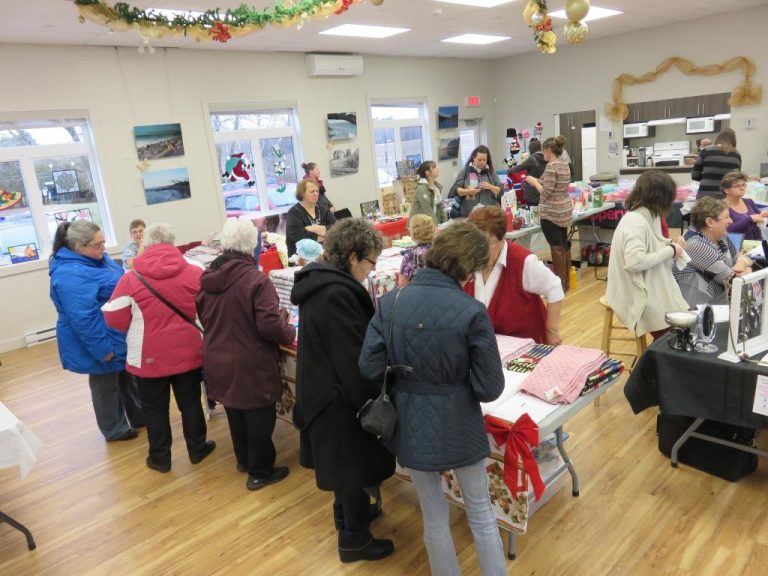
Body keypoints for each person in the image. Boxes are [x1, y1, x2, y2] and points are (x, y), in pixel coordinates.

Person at [359, 221, 506, 576]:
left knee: (434, 516)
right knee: (481, 513)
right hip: (459, 419)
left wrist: (406, 378)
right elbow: (489, 387)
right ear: (467, 268)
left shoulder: (391, 302)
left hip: (409, 420)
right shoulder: (471, 311)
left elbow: (369, 366)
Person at [290, 218, 395, 563]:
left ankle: (350, 517)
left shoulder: (321, 284)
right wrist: (372, 395)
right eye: (370, 262)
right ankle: (354, 538)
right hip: (337, 397)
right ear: (352, 257)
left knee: (343, 465)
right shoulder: (337, 293)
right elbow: (352, 358)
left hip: (323, 392)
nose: (371, 270)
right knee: (350, 465)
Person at [103, 223, 214, 473]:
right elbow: (209, 308)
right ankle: (197, 449)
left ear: (148, 244)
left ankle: (160, 458)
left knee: (154, 409)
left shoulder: (130, 278)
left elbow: (114, 319)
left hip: (148, 356)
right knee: (191, 403)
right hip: (189, 351)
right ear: (172, 243)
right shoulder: (195, 271)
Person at [197, 220, 296, 490]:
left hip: (217, 354)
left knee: (235, 412)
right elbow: (269, 325)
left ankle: (244, 461)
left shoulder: (208, 276)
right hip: (249, 359)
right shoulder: (255, 279)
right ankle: (260, 471)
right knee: (259, 418)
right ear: (251, 246)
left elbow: (204, 314)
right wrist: (287, 329)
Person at [49, 221, 143, 441]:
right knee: (106, 383)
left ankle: (139, 417)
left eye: (104, 243)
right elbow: (84, 319)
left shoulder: (96, 258)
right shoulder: (70, 273)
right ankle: (115, 429)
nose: (104, 248)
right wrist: (103, 349)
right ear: (79, 246)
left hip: (115, 331)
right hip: (100, 337)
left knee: (127, 377)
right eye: (98, 245)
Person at [606, 171, 689, 339]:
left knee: (685, 321)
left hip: (648, 281)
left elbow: (650, 246)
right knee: (675, 333)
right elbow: (634, 262)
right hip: (634, 290)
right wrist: (671, 250)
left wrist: (669, 244)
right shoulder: (636, 221)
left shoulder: (649, 215)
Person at [467, 206, 564, 344]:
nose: (478, 250)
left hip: (524, 347)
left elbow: (554, 287)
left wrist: (551, 331)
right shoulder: (468, 260)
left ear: (502, 239)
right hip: (484, 347)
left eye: (486, 244)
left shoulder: (523, 261)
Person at [673, 197, 752, 307]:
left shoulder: (721, 237)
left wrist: (743, 263)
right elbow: (734, 280)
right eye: (726, 217)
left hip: (717, 305)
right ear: (710, 222)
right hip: (697, 311)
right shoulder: (695, 244)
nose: (731, 221)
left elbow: (741, 257)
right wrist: (747, 268)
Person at [525, 135, 573, 292]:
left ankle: (560, 286)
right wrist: (538, 180)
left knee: (556, 248)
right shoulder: (564, 165)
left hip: (551, 213)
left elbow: (545, 193)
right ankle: (566, 281)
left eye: (543, 151)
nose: (542, 154)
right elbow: (552, 184)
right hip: (564, 211)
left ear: (548, 150)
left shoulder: (552, 166)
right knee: (563, 245)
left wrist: (533, 182)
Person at [286, 179, 336, 257]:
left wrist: (313, 228)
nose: (316, 194)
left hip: (324, 255)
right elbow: (298, 237)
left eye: (317, 191)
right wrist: (323, 235)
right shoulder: (293, 212)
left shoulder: (323, 209)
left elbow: (336, 229)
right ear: (302, 194)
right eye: (312, 191)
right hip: (301, 258)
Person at [448, 145, 502, 218]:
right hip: (468, 216)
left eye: (484, 160)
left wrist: (491, 187)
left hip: (488, 216)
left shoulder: (491, 173)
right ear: (473, 158)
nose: (482, 162)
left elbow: (501, 191)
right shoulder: (465, 171)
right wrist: (467, 191)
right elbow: (455, 190)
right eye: (479, 160)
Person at [692, 128, 742, 199]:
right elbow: (737, 178)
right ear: (733, 140)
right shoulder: (736, 155)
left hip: (705, 197)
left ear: (718, 137)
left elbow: (694, 175)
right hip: (727, 198)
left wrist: (707, 178)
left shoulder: (705, 151)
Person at [722, 170, 768, 240]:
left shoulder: (749, 202)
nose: (742, 188)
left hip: (757, 244)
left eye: (743, 185)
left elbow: (759, 218)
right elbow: (727, 230)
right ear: (726, 190)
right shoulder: (721, 207)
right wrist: (749, 219)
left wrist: (763, 215)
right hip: (738, 247)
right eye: (738, 186)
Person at [398, 214, 435, 287]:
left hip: (418, 294)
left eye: (410, 227)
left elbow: (402, 285)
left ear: (415, 231)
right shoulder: (440, 249)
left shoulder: (410, 255)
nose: (408, 228)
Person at [508, 139, 546, 206]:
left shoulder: (532, 159)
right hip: (543, 191)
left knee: (532, 215)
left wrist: (508, 170)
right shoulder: (546, 158)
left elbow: (517, 168)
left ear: (531, 150)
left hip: (532, 194)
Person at [409, 160, 446, 225]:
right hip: (420, 226)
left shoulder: (437, 187)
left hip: (431, 223)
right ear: (427, 172)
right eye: (434, 167)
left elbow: (440, 207)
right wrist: (436, 227)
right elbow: (428, 211)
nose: (437, 168)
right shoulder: (421, 189)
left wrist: (445, 223)